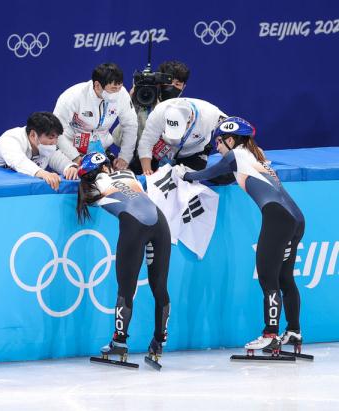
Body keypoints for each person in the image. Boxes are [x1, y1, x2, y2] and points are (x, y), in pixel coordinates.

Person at [177, 117, 305, 353]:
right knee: (285, 278)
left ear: (231, 139)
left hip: (277, 219)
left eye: (219, 141)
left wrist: (184, 175)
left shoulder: (235, 155)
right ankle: (294, 331)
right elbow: (223, 176)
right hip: (296, 218)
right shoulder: (254, 155)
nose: (217, 146)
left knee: (269, 280)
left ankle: (270, 335)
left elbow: (209, 172)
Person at [76, 152, 171, 363]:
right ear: (107, 165)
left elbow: (91, 189)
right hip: (160, 224)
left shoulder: (93, 185)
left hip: (133, 226)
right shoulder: (128, 173)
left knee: (126, 289)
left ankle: (119, 343)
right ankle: (159, 342)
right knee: (160, 287)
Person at [53, 63, 138, 170]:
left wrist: (125, 157)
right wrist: (75, 157)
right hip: (70, 151)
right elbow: (56, 132)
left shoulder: (122, 94)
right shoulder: (72, 97)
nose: (117, 93)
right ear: (97, 85)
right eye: (113, 89)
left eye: (119, 88)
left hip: (101, 151)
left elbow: (130, 125)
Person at [112, 60, 190, 174]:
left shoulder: (186, 110)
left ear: (184, 87)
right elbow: (117, 139)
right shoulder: (143, 105)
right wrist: (131, 104)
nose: (172, 87)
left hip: (170, 166)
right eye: (168, 82)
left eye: (177, 84)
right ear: (159, 82)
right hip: (138, 163)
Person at [0, 111, 78, 190]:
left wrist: (69, 167)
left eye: (57, 138)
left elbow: (56, 157)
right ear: (33, 135)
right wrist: (45, 174)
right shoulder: (10, 139)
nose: (55, 142)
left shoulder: (45, 145)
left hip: (11, 179)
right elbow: (18, 161)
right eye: (51, 138)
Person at [137, 97, 227, 176]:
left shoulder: (210, 114)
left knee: (187, 181)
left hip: (194, 152)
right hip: (165, 148)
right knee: (138, 168)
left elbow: (233, 130)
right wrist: (147, 171)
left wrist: (227, 148)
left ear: (190, 119)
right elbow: (146, 142)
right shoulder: (159, 113)